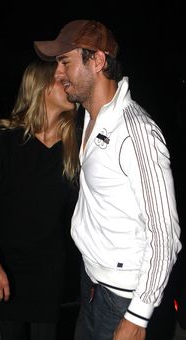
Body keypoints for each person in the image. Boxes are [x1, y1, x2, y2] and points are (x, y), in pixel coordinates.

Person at [34, 20, 182, 340]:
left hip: (122, 299)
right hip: (92, 284)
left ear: (97, 61)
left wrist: (137, 315)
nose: (58, 74)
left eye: (65, 62)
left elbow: (166, 234)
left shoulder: (136, 133)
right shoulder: (91, 116)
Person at [0, 59, 80, 340]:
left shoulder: (74, 147)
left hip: (50, 271)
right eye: (59, 79)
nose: (67, 82)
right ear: (42, 88)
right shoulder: (3, 139)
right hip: (5, 267)